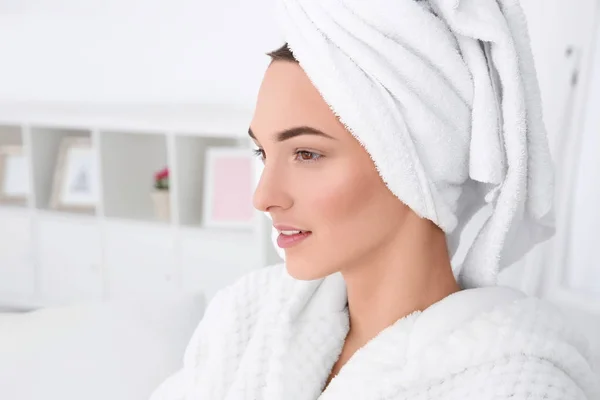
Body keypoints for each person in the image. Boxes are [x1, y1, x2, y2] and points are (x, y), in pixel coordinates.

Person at [150, 1, 599, 399]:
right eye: (263, 153)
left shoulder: (517, 383)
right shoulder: (248, 315)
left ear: (414, 162)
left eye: (306, 153)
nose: (263, 196)